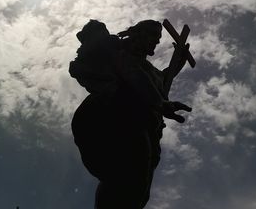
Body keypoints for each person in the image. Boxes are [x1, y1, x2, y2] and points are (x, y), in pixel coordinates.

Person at [70, 19, 191, 208]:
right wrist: (160, 103)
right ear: (138, 34)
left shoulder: (149, 70)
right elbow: (133, 74)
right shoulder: (120, 53)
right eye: (152, 35)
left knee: (139, 190)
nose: (156, 41)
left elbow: (162, 79)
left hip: (142, 126)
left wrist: (178, 62)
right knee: (129, 170)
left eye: (158, 38)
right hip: (113, 118)